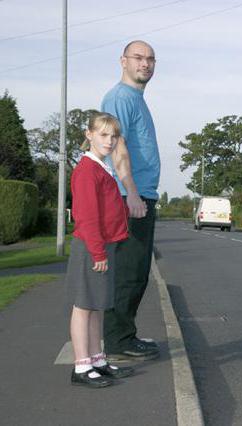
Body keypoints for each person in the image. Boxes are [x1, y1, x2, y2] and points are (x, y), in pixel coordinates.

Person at [101, 40, 161, 361]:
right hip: (129, 197)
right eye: (138, 57)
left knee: (136, 269)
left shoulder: (136, 99)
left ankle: (123, 335)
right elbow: (116, 145)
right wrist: (132, 192)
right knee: (128, 270)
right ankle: (118, 340)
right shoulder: (120, 97)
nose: (145, 64)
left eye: (151, 59)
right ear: (123, 61)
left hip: (140, 195)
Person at [66, 113, 134, 388]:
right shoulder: (87, 170)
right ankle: (81, 367)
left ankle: (97, 359)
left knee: (96, 307)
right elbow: (88, 217)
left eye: (113, 136)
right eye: (103, 135)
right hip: (92, 247)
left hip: (103, 245)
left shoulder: (102, 167)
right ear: (89, 134)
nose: (109, 140)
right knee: (84, 307)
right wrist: (98, 253)